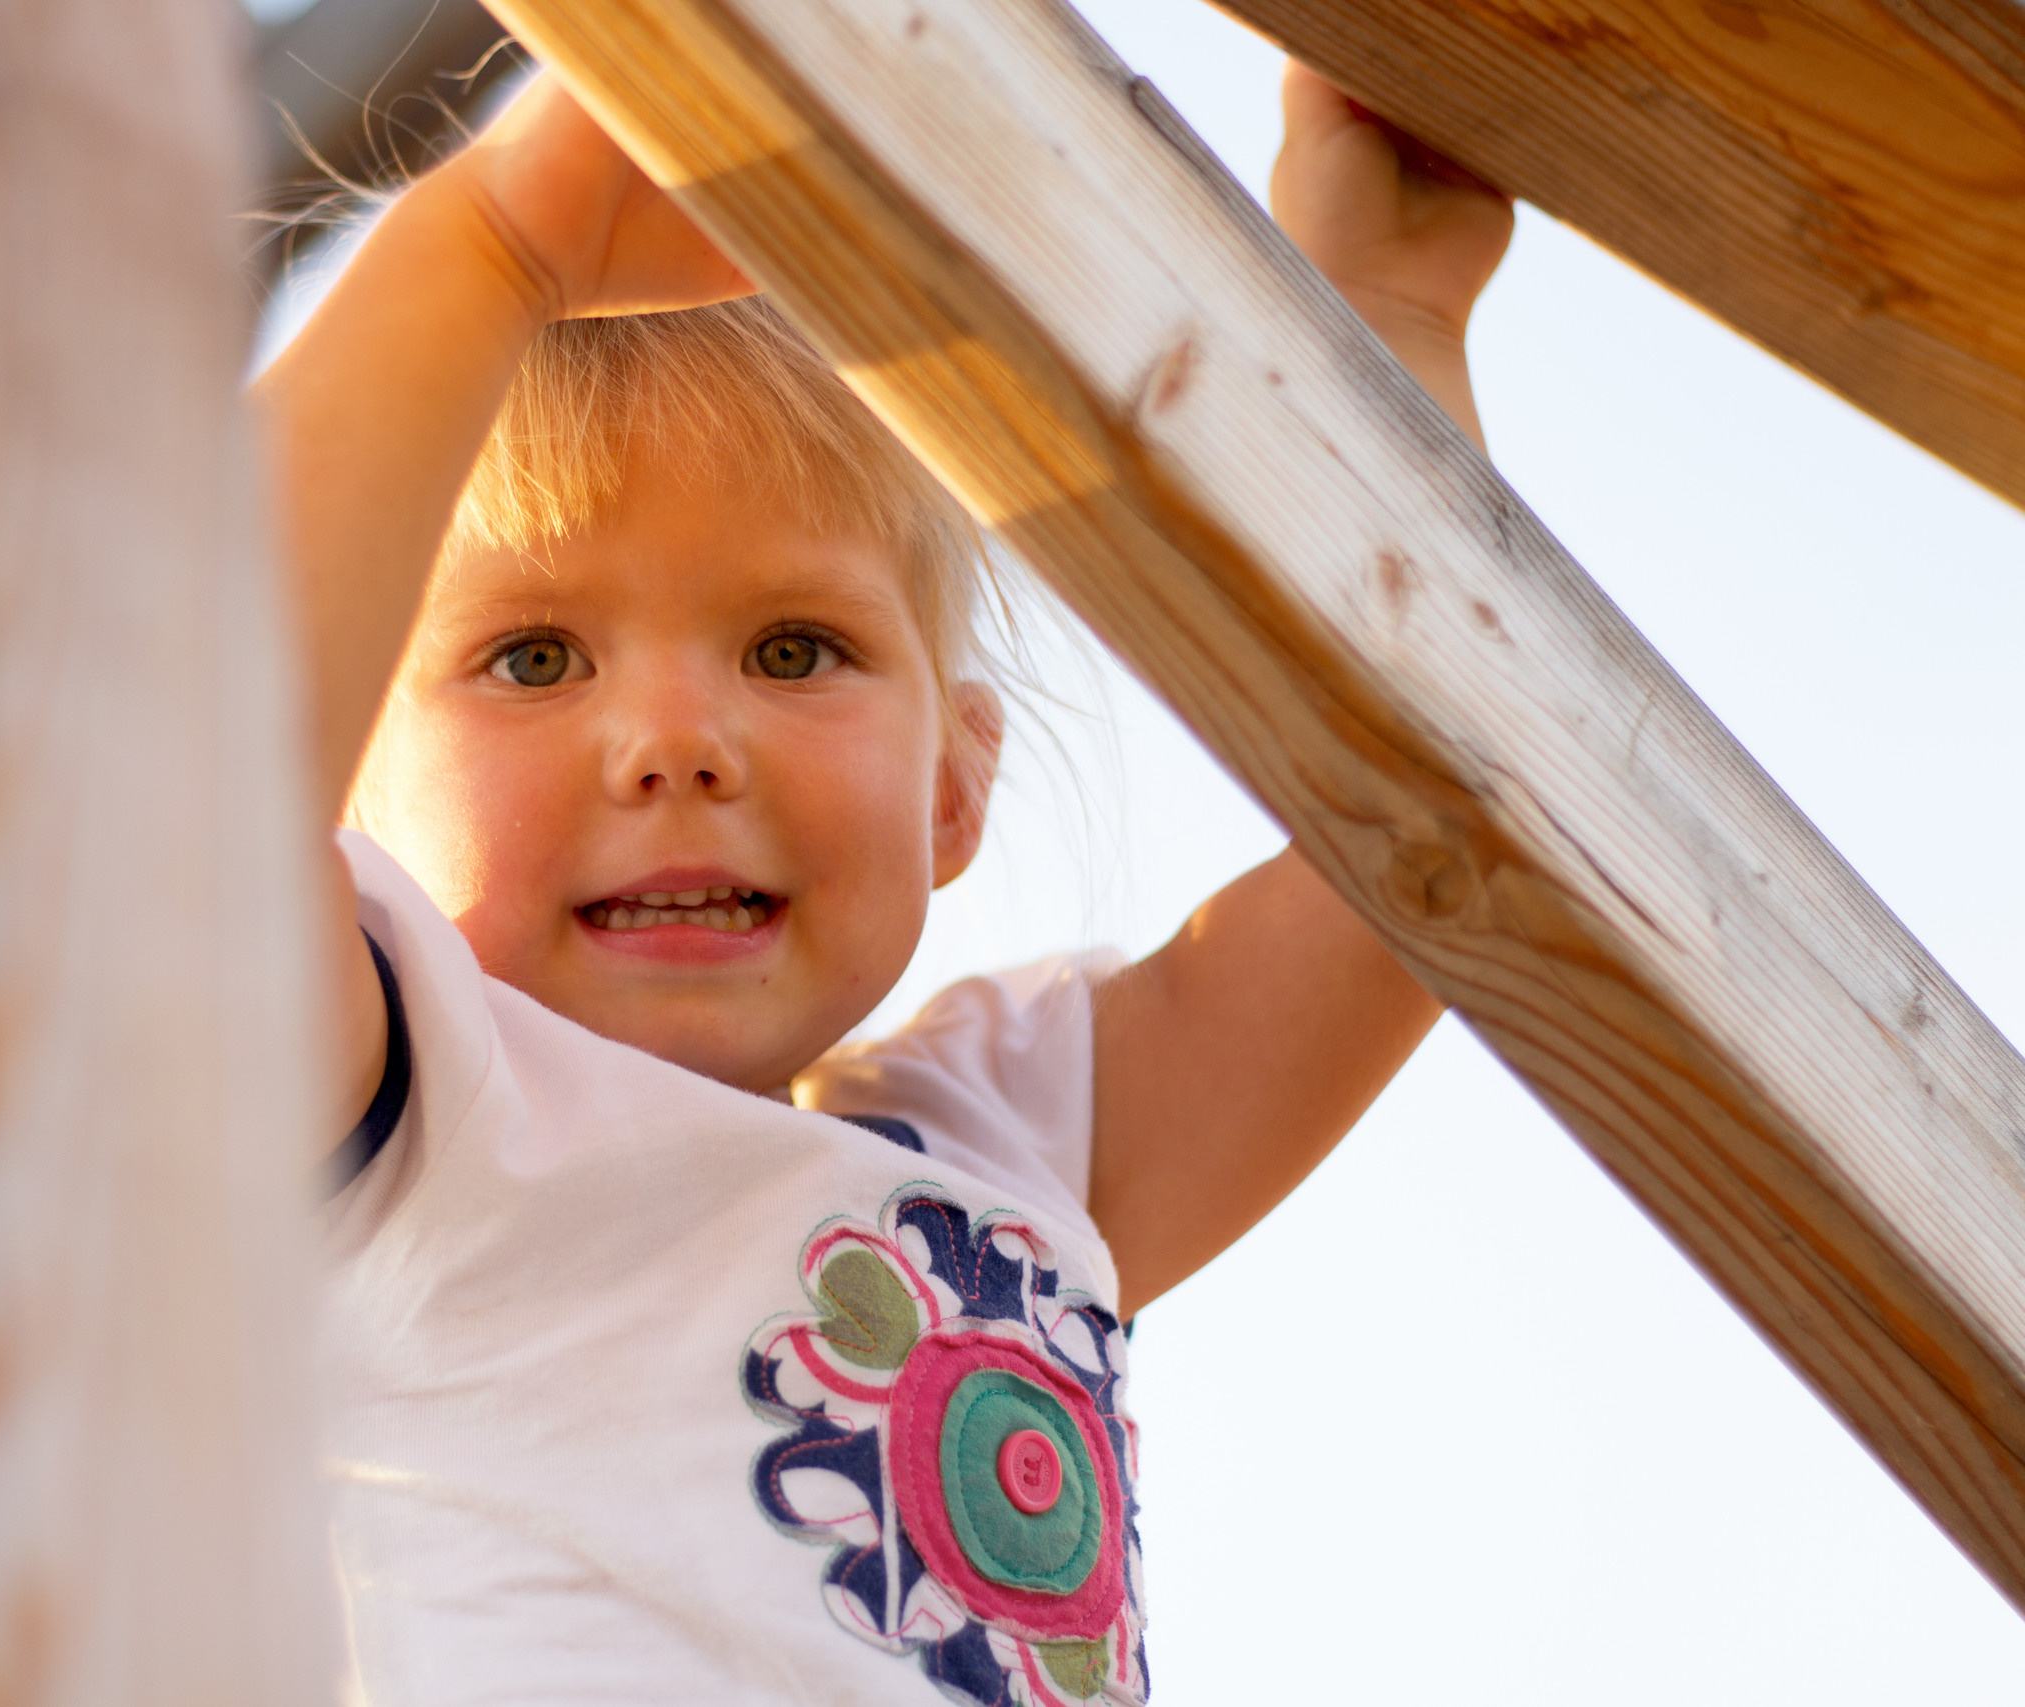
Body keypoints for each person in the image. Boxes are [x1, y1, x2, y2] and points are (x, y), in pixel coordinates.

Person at [259, 59, 1513, 1705]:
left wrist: (1392, 327)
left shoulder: (1004, 1146)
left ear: (952, 783)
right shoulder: (391, 1103)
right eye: (533, 654)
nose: (675, 741)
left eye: (795, 647)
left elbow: (1435, 859)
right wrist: (490, 245)